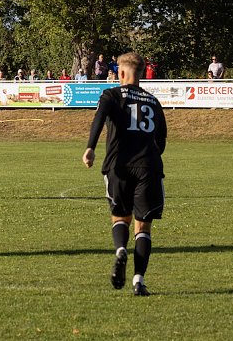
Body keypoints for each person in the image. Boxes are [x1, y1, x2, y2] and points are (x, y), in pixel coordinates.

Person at [82, 52, 167, 297]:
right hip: (148, 167)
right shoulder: (153, 101)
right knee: (143, 227)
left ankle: (121, 250)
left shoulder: (111, 95)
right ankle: (139, 281)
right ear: (141, 74)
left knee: (120, 218)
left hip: (118, 166)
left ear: (120, 73)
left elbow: (99, 119)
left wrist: (90, 148)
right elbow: (160, 141)